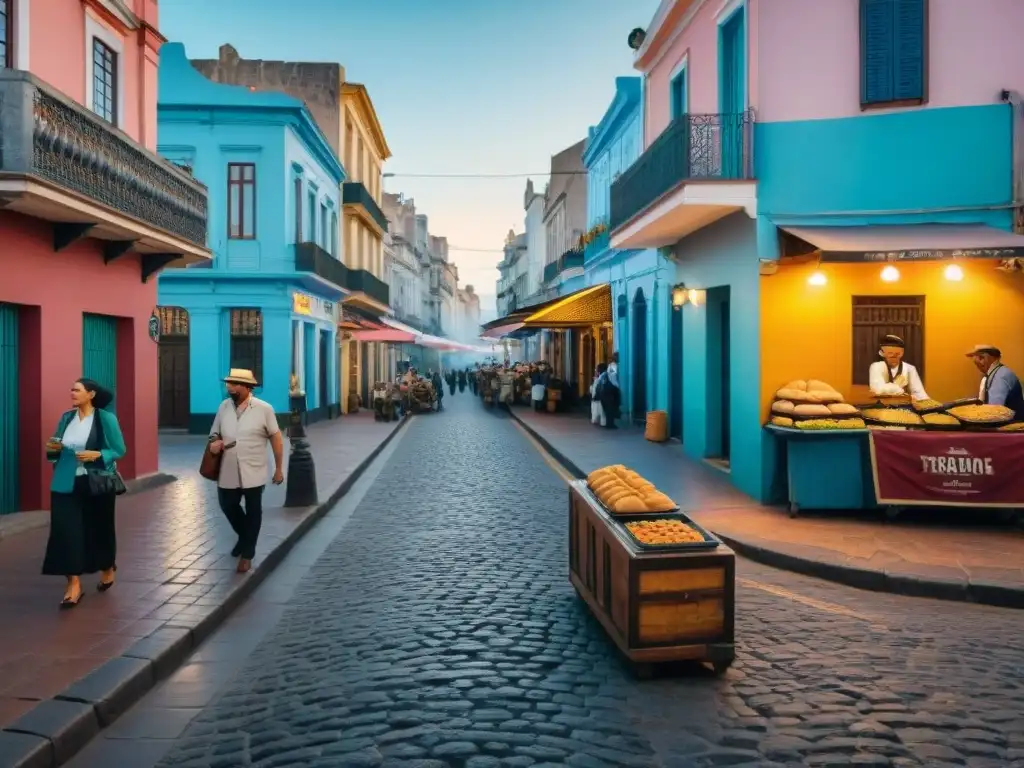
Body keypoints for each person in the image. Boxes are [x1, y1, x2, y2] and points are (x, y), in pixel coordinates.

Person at [43, 378, 126, 609]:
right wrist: (52, 448)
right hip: (65, 482)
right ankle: (73, 585)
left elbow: (119, 449)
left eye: (77, 390)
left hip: (96, 482)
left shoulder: (105, 418)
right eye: (71, 389)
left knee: (99, 529)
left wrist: (97, 455)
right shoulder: (66, 418)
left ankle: (107, 566)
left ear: (91, 394)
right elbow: (54, 450)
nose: (72, 393)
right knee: (65, 532)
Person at [208, 368, 284, 574]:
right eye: (228, 383)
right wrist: (214, 443)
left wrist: (279, 469)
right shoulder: (223, 407)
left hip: (254, 468)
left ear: (247, 387)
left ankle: (248, 553)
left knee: (253, 511)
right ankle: (245, 537)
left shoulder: (264, 409)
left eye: (234, 384)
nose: (229, 387)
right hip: (228, 467)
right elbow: (213, 433)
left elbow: (276, 438)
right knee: (227, 504)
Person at [966, 344, 1024, 420]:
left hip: (1009, 427)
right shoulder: (998, 373)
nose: (979, 368)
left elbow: (994, 411)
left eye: (978, 364)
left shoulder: (1000, 376)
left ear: (983, 358)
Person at [868, 334, 929, 400]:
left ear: (902, 353)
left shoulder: (909, 368)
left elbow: (919, 393)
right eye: (890, 353)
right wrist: (901, 391)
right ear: (881, 353)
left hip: (903, 405)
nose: (894, 357)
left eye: (897, 354)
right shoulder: (876, 366)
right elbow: (878, 389)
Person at [599, 353, 622, 429]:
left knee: (610, 407)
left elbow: (602, 378)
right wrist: (617, 388)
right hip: (610, 389)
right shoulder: (614, 366)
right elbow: (614, 379)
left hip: (607, 389)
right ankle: (610, 424)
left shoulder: (611, 366)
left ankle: (610, 423)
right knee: (611, 406)